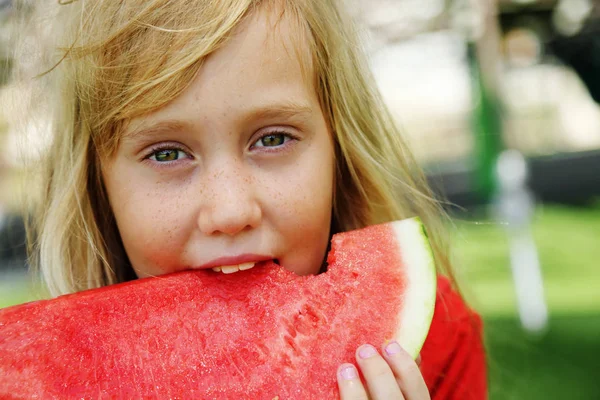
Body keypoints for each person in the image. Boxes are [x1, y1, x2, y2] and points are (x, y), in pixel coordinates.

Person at [23, 0, 487, 398]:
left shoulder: (439, 344)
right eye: (167, 153)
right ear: (96, 187)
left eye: (272, 139)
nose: (230, 211)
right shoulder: (41, 377)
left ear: (339, 151)